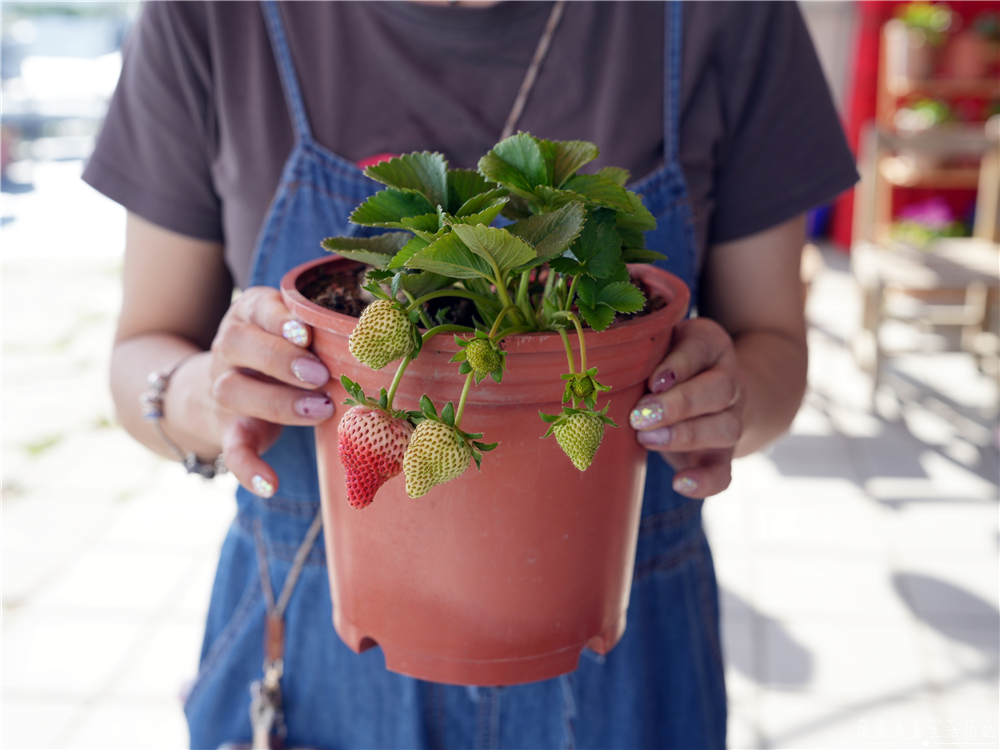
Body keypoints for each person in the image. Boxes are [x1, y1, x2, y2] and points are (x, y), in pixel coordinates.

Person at [84, 2, 857, 747]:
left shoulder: (728, 13)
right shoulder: (209, 13)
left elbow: (774, 348)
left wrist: (720, 401)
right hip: (319, 631)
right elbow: (142, 348)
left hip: (619, 637)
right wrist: (207, 393)